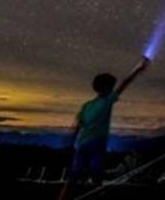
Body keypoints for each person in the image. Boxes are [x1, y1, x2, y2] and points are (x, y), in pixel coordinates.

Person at [59, 57, 150, 200]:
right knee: (96, 177)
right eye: (111, 86)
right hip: (96, 143)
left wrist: (70, 141)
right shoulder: (107, 100)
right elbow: (124, 84)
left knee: (74, 178)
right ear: (106, 88)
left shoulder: (87, 105)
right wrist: (138, 69)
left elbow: (77, 126)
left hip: (81, 144)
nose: (113, 88)